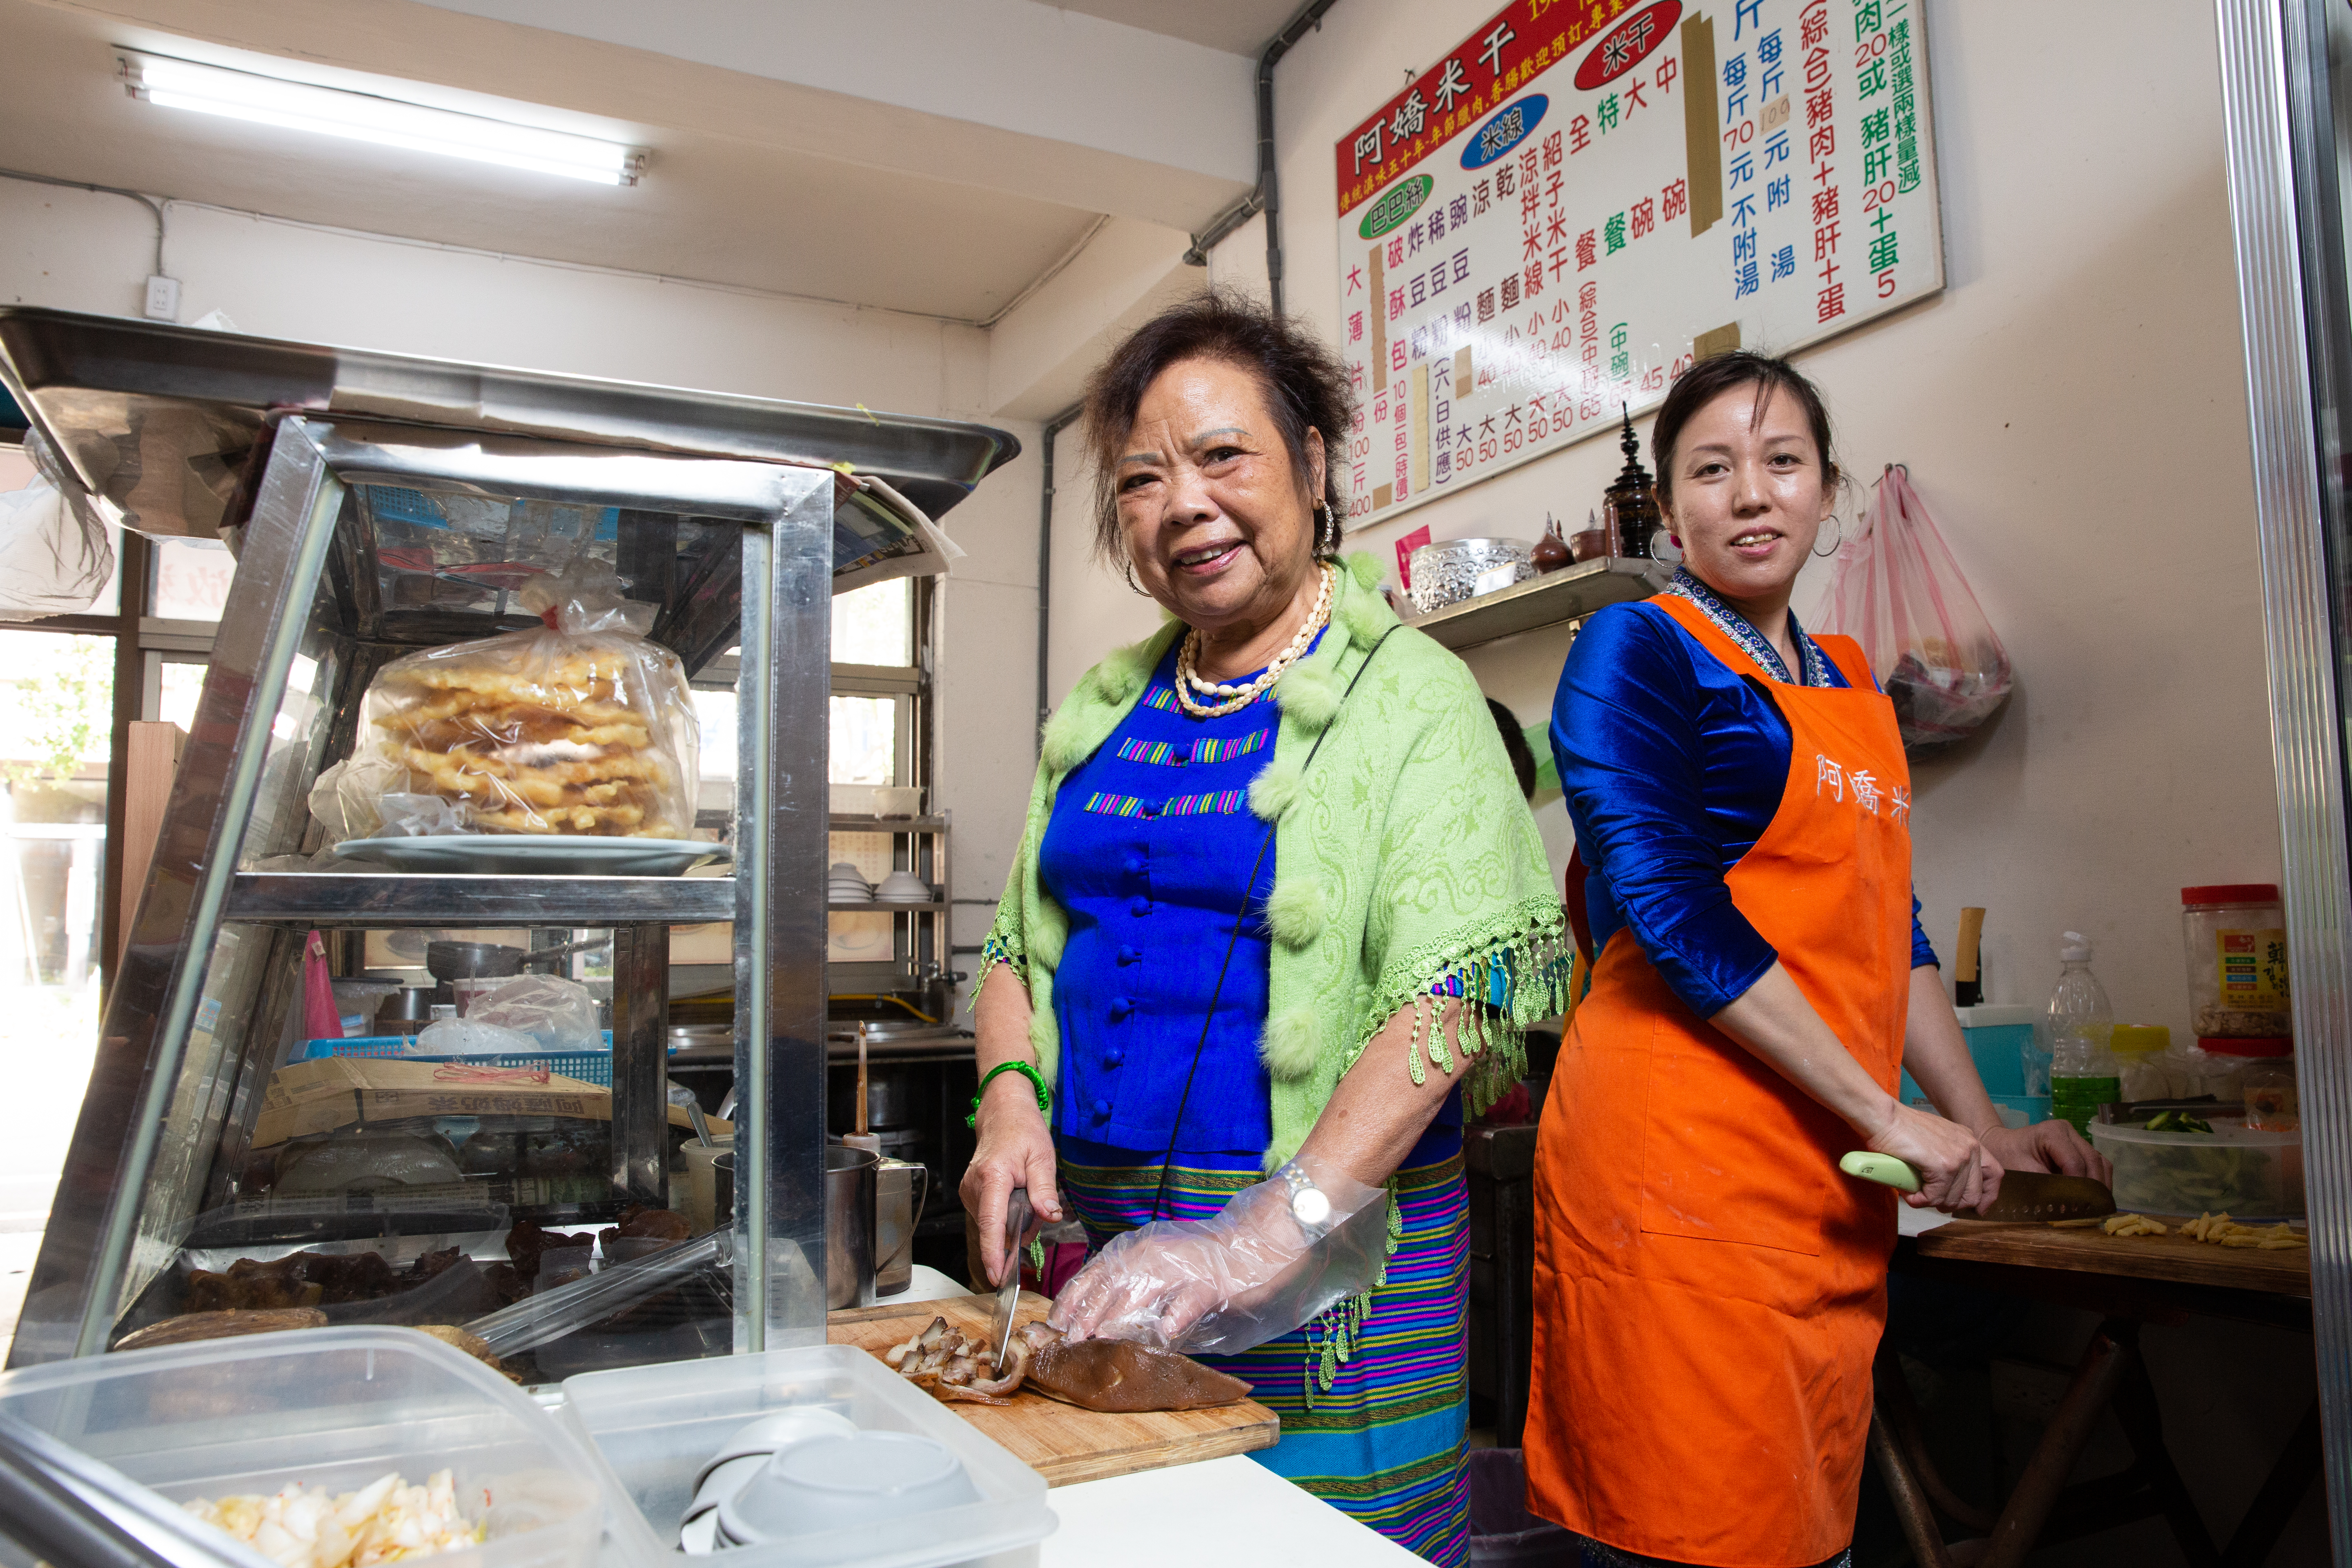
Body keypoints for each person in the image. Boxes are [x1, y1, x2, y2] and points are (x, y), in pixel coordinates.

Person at [966, 292, 1566, 1566]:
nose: (1183, 502)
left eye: (1223, 455)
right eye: (1142, 477)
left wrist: (1262, 1236)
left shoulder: (1409, 695)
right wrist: (1010, 1109)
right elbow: (1021, 943)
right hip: (1106, 1266)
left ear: (1314, 462)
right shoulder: (1106, 701)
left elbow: (1456, 990)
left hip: (1330, 1268)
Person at [1523, 351, 2111, 1568]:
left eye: (1782, 463)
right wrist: (1884, 1112)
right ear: (1669, 509)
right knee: (1683, 1531)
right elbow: (1670, 907)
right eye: (1713, 470)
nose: (1751, 494)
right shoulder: (1635, 650)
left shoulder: (1848, 678)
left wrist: (1978, 1119)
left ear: (1826, 492)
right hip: (1678, 1169)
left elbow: (1886, 925)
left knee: (1802, 1534)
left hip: (1824, 1178)